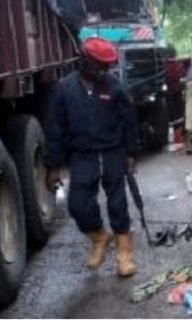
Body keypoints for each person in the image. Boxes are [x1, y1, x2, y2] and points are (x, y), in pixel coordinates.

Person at [44, 36, 138, 277]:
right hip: (82, 156)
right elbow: (55, 129)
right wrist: (52, 166)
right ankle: (99, 237)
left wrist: (130, 153)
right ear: (83, 61)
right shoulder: (64, 89)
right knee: (78, 205)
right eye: (98, 65)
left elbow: (129, 122)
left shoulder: (115, 87)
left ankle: (124, 255)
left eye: (106, 66)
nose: (103, 71)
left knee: (118, 203)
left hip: (112, 153)